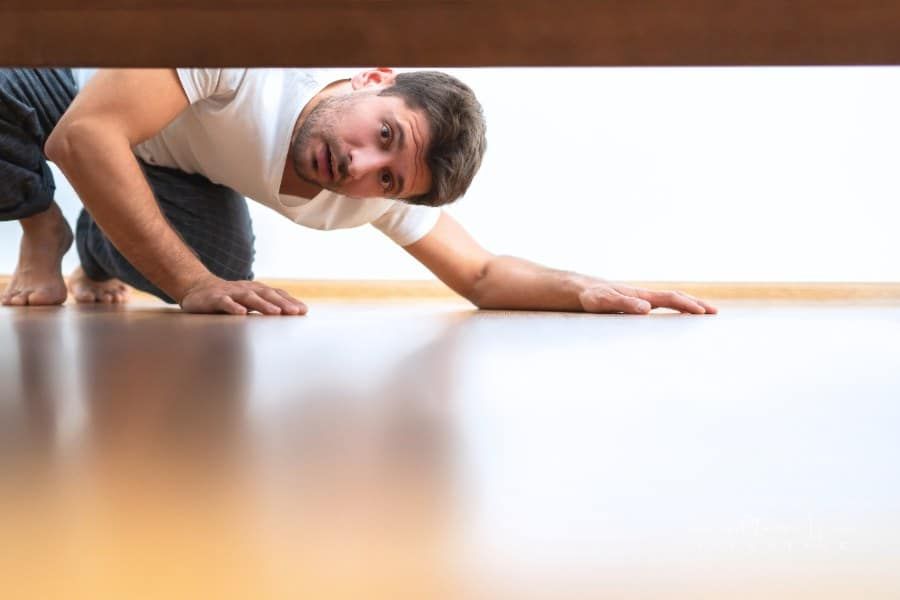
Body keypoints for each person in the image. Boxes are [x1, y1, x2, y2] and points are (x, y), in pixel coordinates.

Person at [0, 67, 717, 316]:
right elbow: (80, 137)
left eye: (388, 177)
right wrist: (188, 283)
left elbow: (482, 273)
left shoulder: (368, 193)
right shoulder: (250, 58)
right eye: (386, 135)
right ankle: (42, 224)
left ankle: (96, 249)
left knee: (228, 270)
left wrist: (590, 289)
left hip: (166, 163)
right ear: (376, 78)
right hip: (72, 87)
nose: (359, 166)